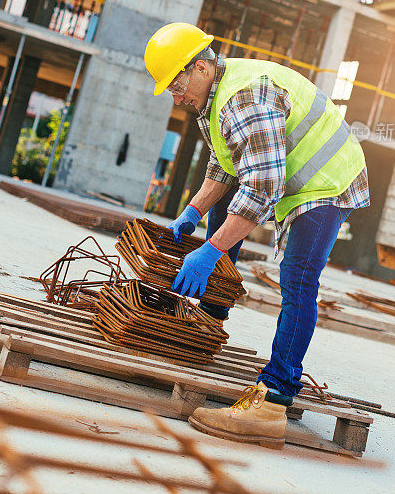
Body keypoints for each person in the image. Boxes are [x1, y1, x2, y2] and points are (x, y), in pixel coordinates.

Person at [144, 22, 369, 449]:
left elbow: (261, 190)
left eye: (176, 84)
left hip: (328, 181)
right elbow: (226, 165)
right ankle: (207, 323)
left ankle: (274, 400)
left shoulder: (241, 99)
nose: (175, 97)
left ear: (201, 67)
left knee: (297, 279)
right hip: (294, 177)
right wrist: (194, 211)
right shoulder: (211, 102)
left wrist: (210, 252)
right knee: (224, 222)